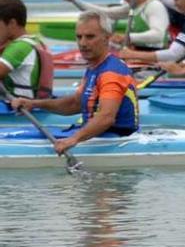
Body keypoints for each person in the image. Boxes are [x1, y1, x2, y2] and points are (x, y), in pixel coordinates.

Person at [10, 11, 139, 154]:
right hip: (97, 135)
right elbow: (75, 104)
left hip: (113, 139)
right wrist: (33, 104)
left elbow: (106, 117)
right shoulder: (95, 66)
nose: (83, 43)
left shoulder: (111, 73)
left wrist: (73, 140)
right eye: (79, 37)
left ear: (106, 38)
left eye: (90, 37)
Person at [61, 0, 169, 51]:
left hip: (155, 63)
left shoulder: (154, 6)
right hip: (138, 57)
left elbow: (158, 35)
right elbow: (103, 13)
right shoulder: (133, 7)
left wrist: (126, 38)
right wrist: (74, 0)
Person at [0, 0, 53, 99]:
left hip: (18, 110)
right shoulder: (35, 41)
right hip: (32, 104)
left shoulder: (19, 48)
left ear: (12, 23)